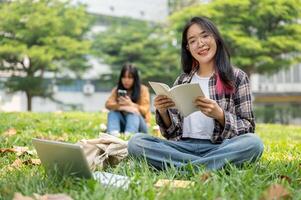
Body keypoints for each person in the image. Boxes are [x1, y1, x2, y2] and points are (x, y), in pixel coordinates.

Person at [127, 16, 264, 171]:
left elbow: (248, 127)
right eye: (192, 41)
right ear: (188, 48)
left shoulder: (237, 77)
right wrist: (163, 112)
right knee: (136, 143)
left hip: (219, 147)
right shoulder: (182, 80)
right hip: (182, 147)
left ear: (216, 38)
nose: (200, 44)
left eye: (205, 36)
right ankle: (208, 167)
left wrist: (220, 115)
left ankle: (185, 168)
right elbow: (171, 134)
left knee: (254, 144)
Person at [105, 63, 151, 136]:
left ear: (135, 79)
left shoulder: (143, 90)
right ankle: (113, 134)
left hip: (140, 126)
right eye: (124, 77)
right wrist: (124, 107)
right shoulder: (117, 89)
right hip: (123, 124)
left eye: (130, 77)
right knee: (113, 112)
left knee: (133, 113)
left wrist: (131, 104)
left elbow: (145, 110)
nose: (126, 80)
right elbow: (108, 104)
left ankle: (129, 136)